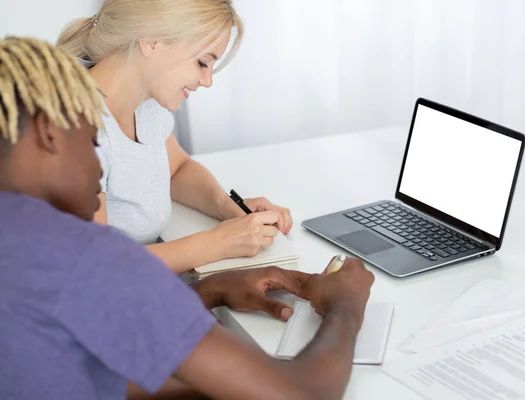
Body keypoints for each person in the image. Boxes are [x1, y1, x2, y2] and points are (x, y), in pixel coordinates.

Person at [0, 37, 374, 400]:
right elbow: (304, 393)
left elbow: (73, 375)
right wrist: (346, 305)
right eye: (92, 143)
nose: (101, 170)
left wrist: (208, 291)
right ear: (49, 135)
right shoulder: (79, 254)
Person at [57, 0, 293, 274]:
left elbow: (177, 169)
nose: (207, 80)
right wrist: (219, 241)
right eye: (202, 62)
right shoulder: (70, 124)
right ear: (151, 41)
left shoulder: (145, 102)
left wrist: (229, 207)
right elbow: (96, 265)